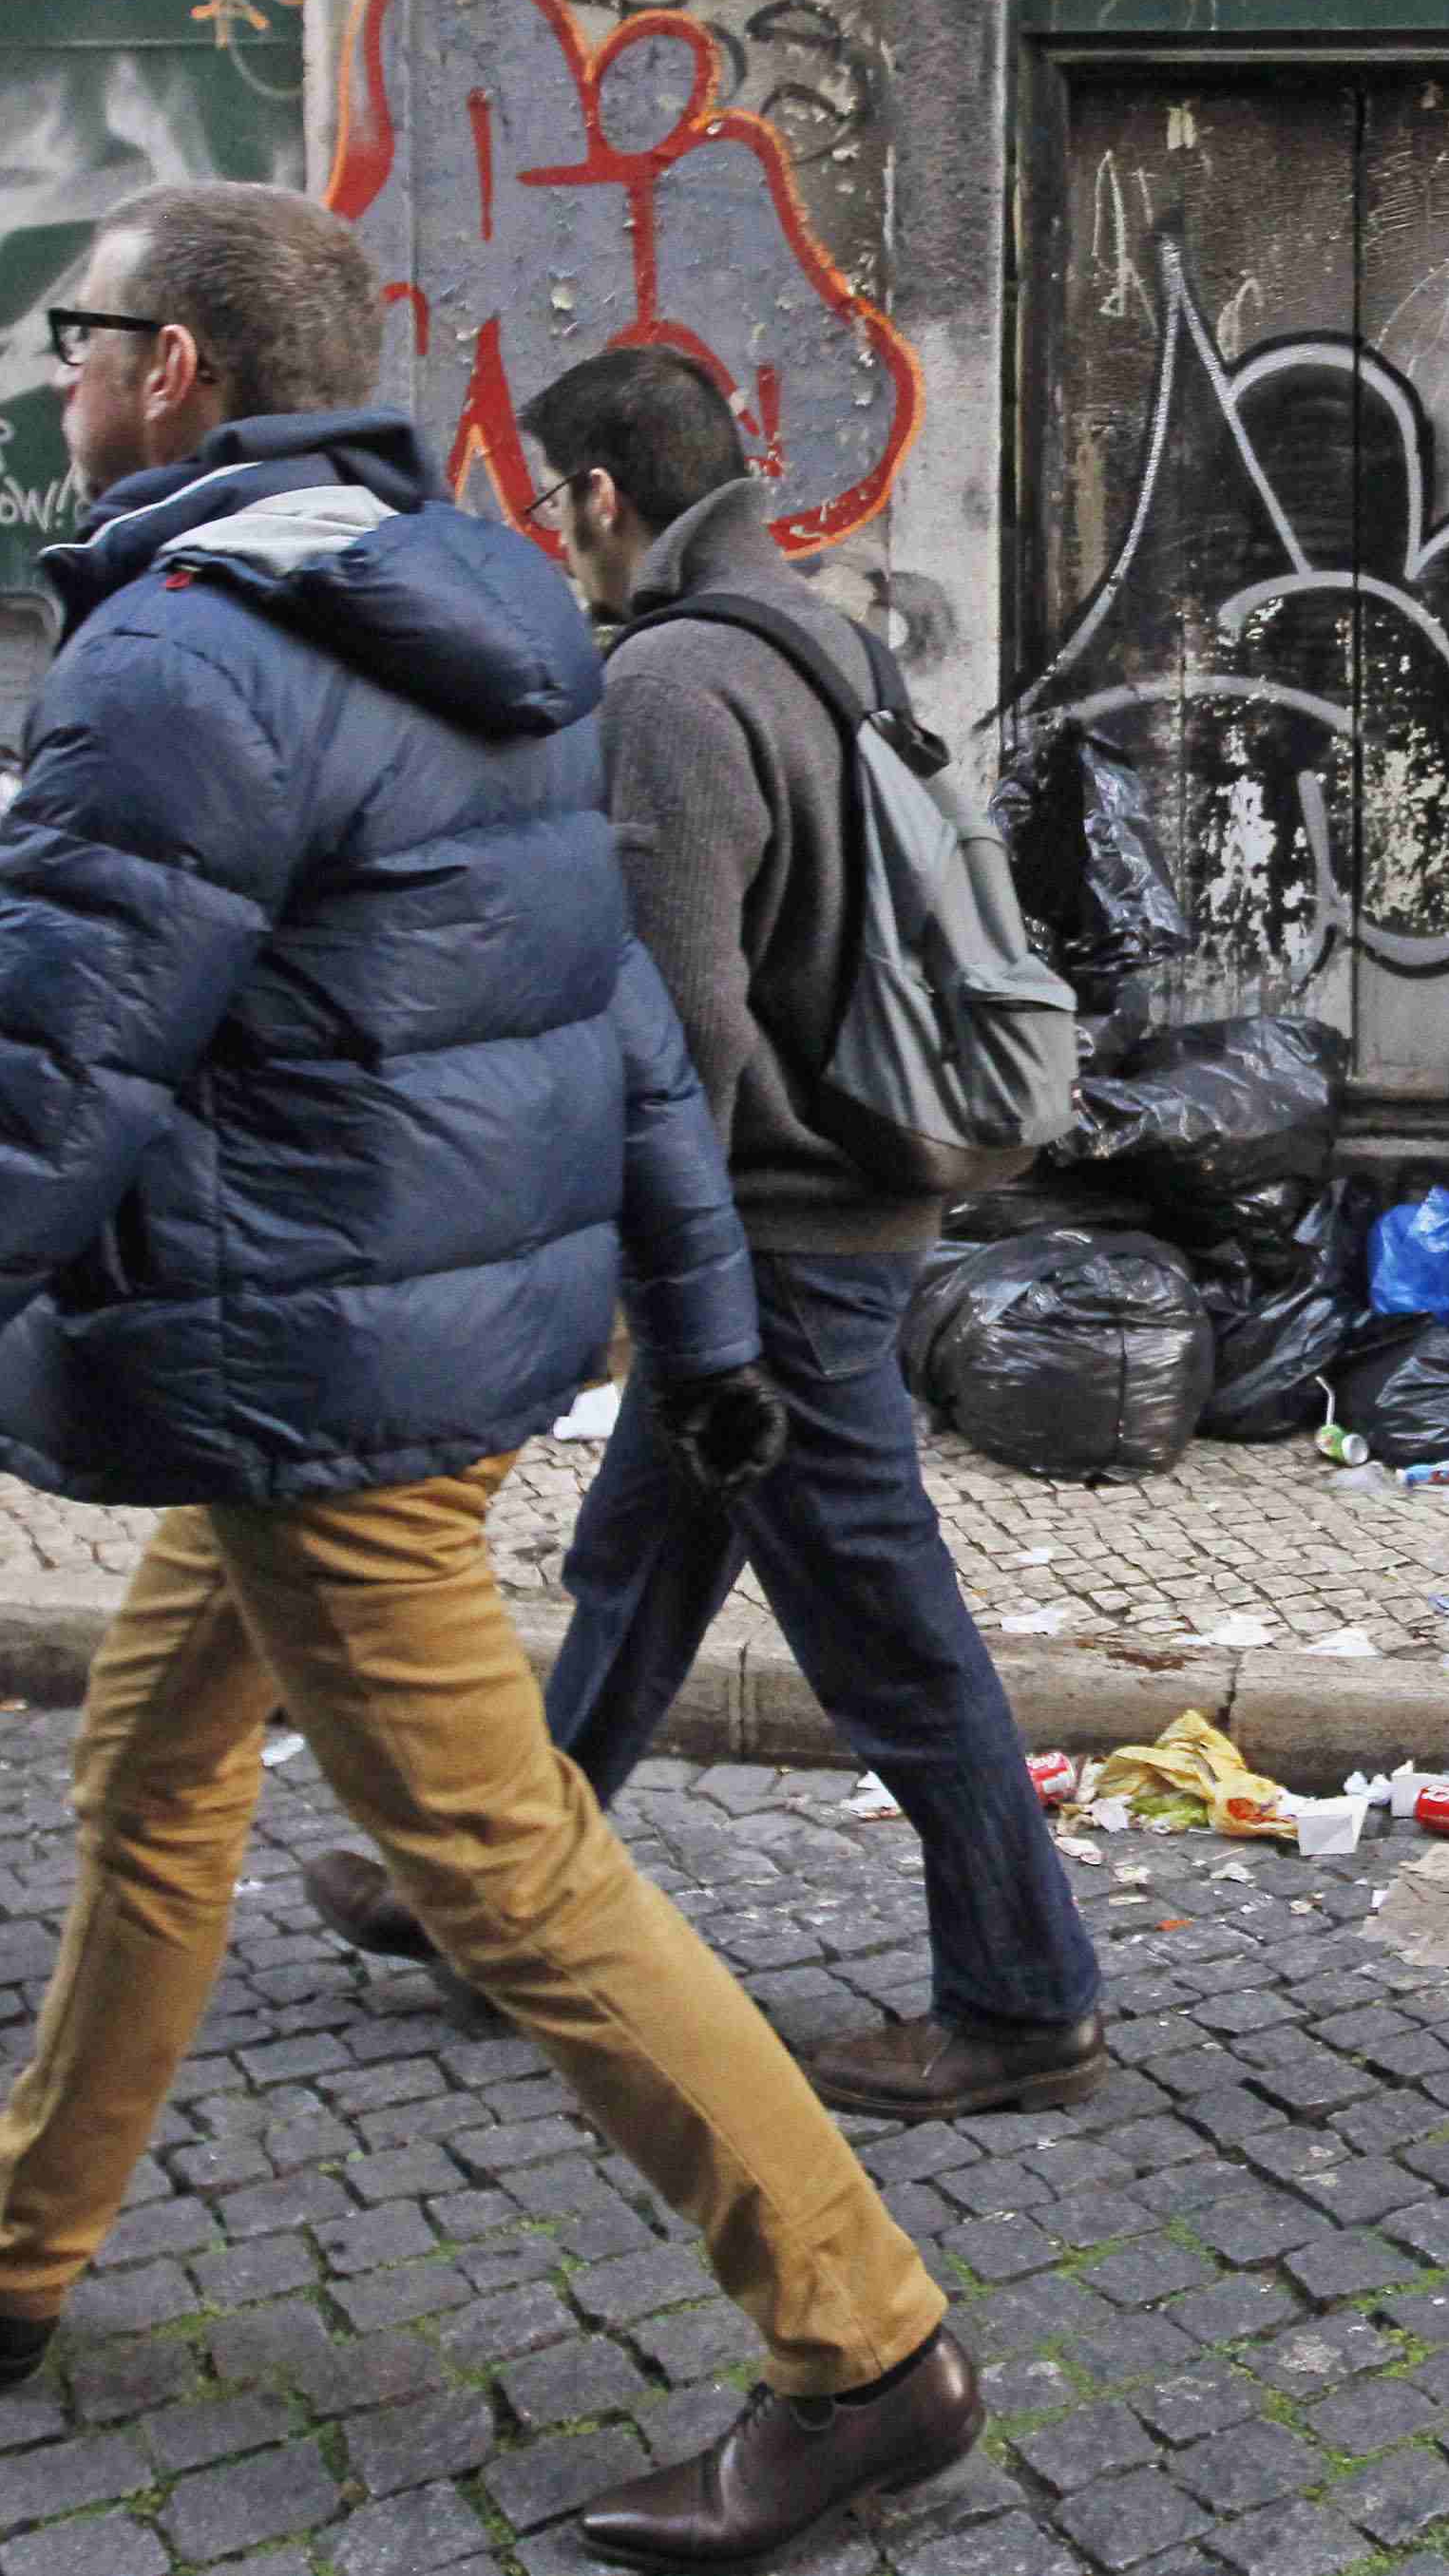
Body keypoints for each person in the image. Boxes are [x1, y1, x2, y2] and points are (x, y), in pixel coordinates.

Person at [0, 189, 979, 2569]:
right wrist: (701, 1323)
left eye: (76, 336)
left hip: (312, 1369)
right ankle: (2, 2251)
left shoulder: (187, 662)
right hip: (390, 1338)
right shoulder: (475, 606)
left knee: (502, 1865)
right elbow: (616, 1013)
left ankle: (864, 2348)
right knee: (157, 1765)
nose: (57, 379)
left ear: (170, 369)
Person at [299, 344, 1109, 2124]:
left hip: (773, 1240)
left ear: (601, 495)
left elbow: (679, 1030)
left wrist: (636, 1266)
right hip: (822, 1206)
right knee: (636, 1572)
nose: (555, 536)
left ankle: (1023, 1993)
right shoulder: (819, 633)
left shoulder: (668, 680)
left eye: (553, 500)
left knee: (887, 1630)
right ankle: (492, 1897)